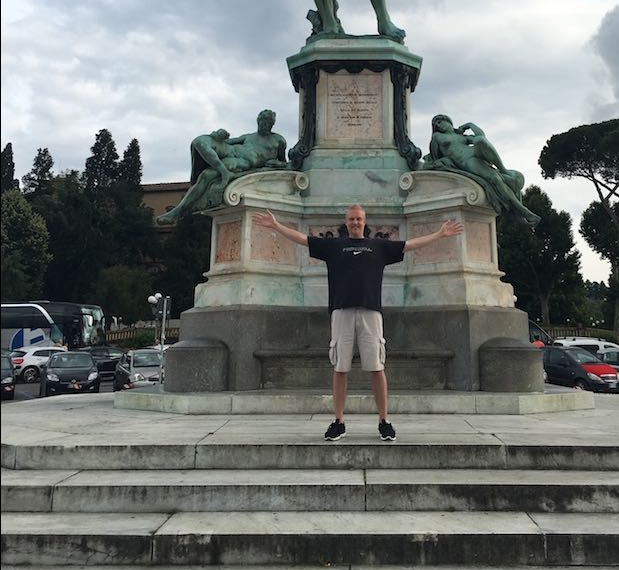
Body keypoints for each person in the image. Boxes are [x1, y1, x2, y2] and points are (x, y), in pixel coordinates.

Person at [252, 204, 463, 441]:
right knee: (340, 367)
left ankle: (384, 420)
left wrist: (440, 234)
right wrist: (276, 225)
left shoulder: (379, 246)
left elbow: (410, 245)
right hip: (341, 311)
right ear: (346, 221)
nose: (355, 222)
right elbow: (303, 239)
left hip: (371, 312)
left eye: (359, 219)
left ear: (365, 221)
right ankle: (339, 421)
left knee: (377, 367)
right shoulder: (334, 246)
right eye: (352, 219)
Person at [157, 110, 287, 225]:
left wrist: (278, 164)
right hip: (230, 151)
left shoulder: (278, 140)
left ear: (271, 124)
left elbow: (284, 163)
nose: (262, 125)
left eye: (265, 123)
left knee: (206, 176)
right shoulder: (249, 136)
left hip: (240, 162)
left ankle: (176, 212)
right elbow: (228, 142)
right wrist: (217, 135)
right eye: (260, 122)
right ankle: (221, 174)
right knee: (199, 141)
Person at [424, 116, 540, 226]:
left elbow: (481, 136)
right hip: (467, 161)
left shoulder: (462, 137)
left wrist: (470, 124)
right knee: (495, 179)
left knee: (480, 140)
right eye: (436, 124)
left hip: (476, 154)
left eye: (440, 121)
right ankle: (524, 212)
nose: (438, 125)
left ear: (448, 121)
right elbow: (435, 156)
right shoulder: (437, 136)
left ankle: (503, 169)